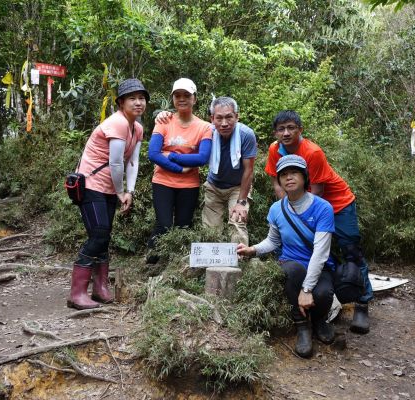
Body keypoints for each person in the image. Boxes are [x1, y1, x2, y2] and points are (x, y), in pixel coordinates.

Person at [264, 110, 372, 334]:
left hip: (337, 204)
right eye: (281, 129)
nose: (286, 133)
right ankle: (320, 297)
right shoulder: (275, 149)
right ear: (275, 133)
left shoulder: (312, 152)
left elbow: (318, 191)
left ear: (300, 130)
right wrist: (288, 214)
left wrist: (310, 220)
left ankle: (362, 302)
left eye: (291, 128)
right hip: (303, 206)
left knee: (351, 251)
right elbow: (277, 183)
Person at [237, 155, 339, 358]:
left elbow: (320, 253)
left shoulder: (322, 208)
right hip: (291, 265)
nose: (289, 178)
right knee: (292, 270)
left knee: (323, 293)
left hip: (318, 266)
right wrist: (252, 249)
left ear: (305, 177)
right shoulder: (277, 209)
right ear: (279, 180)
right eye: (284, 174)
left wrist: (308, 289)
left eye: (294, 173)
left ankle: (319, 321)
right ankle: (302, 326)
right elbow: (273, 241)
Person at [68, 78, 149, 310]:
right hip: (91, 184)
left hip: (109, 189)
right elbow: (115, 163)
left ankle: (101, 289)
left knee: (104, 236)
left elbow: (132, 162)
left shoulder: (137, 128)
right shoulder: (117, 123)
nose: (138, 102)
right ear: (121, 103)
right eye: (132, 98)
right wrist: (121, 190)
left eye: (141, 98)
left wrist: (129, 192)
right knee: (99, 235)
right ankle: (77, 293)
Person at [156, 96, 257, 245]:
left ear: (236, 116)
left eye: (229, 117)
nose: (224, 123)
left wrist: (241, 202)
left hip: (238, 186)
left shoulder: (246, 135)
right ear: (212, 119)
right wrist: (163, 115)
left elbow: (249, 170)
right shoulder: (206, 132)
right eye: (219, 118)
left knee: (237, 222)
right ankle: (212, 262)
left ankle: (239, 260)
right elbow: (192, 151)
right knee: (210, 228)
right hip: (214, 186)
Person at [146, 78, 213, 263]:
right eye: (177, 95)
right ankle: (151, 264)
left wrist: (171, 156)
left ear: (194, 99)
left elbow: (202, 158)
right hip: (162, 182)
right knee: (164, 225)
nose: (182, 99)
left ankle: (175, 265)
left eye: (186, 95)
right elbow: (153, 153)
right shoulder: (164, 121)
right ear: (173, 98)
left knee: (184, 226)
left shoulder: (204, 127)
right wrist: (180, 168)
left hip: (189, 185)